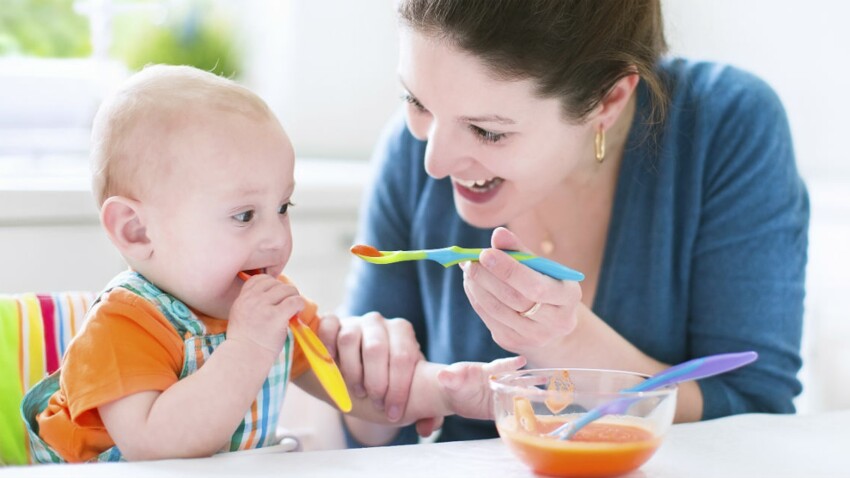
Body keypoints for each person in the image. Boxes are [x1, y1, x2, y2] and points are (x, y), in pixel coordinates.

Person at [338, 0, 809, 446]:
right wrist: (373, 382)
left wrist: (566, 342)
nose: (433, 162)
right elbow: (372, 436)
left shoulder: (727, 127)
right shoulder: (410, 147)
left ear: (608, 100)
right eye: (415, 101)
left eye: (488, 131)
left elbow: (754, 411)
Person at [19, 64, 524, 463]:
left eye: (283, 208)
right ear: (137, 230)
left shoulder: (268, 308)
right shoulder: (120, 328)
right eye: (244, 215)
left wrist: (455, 390)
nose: (275, 238)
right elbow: (157, 445)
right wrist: (249, 347)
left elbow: (356, 387)